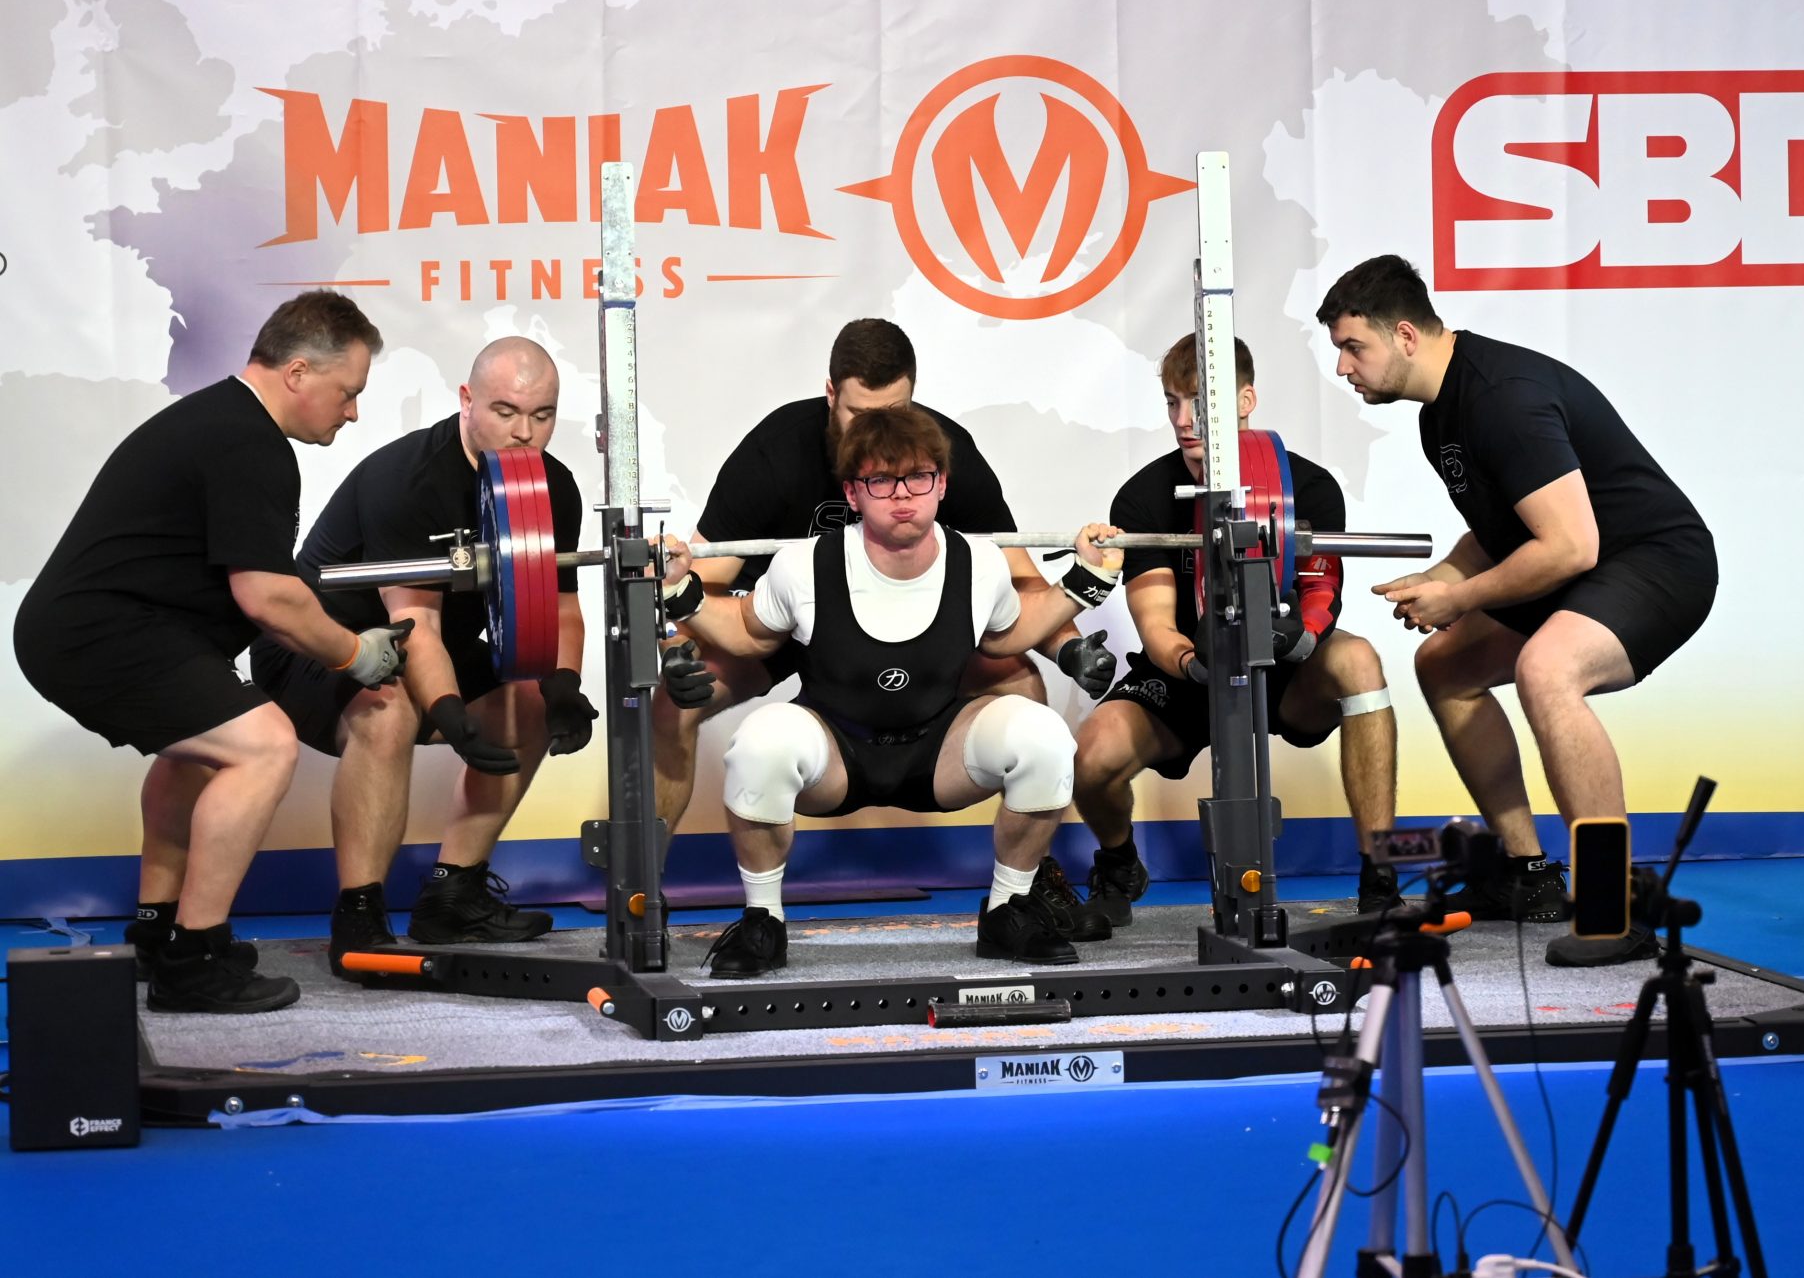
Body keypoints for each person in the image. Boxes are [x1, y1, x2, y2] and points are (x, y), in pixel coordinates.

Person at [13, 291, 408, 1014]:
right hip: (99, 635)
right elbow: (269, 598)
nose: (352, 412)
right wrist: (356, 653)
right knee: (264, 746)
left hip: (98, 629)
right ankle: (192, 961)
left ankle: (159, 929)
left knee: (200, 751)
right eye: (348, 393)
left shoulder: (221, 422)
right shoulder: (248, 443)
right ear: (297, 372)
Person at [657, 316, 1114, 938]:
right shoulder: (774, 452)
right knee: (670, 703)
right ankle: (641, 893)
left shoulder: (939, 450)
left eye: (894, 412)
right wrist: (677, 652)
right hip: (787, 619)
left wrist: (1069, 648)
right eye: (858, 414)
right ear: (830, 395)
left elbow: (1018, 586)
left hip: (911, 626)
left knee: (1022, 687)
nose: (876, 433)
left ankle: (1025, 888)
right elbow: (704, 584)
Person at [1316, 255, 1715, 932]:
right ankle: (1527, 876)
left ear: (1405, 336)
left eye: (1354, 348)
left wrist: (1460, 599)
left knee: (1547, 670)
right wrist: (1447, 575)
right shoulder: (1439, 415)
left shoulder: (1502, 397)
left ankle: (1613, 903)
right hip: (1586, 567)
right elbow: (1505, 529)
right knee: (1445, 666)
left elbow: (1569, 546)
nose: (1342, 367)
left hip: (1657, 564)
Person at [248, 337, 594, 976]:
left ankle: (453, 897)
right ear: (467, 401)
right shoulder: (408, 481)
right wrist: (451, 714)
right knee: (389, 711)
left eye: (541, 415)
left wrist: (564, 685)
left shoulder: (552, 486)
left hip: (428, 646)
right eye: (505, 412)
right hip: (315, 648)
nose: (524, 433)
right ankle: (359, 916)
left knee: (529, 702)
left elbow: (561, 606)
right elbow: (417, 627)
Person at [1071, 334, 1403, 926]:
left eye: (1200, 404)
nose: (1182, 421)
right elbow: (1156, 625)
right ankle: (1119, 862)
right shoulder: (1145, 497)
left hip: (1285, 664)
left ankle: (1380, 875)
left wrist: (1300, 638)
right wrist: (1194, 662)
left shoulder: (1309, 488)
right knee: (1091, 756)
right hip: (1190, 673)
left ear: (1245, 400)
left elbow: (1320, 593)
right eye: (1172, 403)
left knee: (1360, 662)